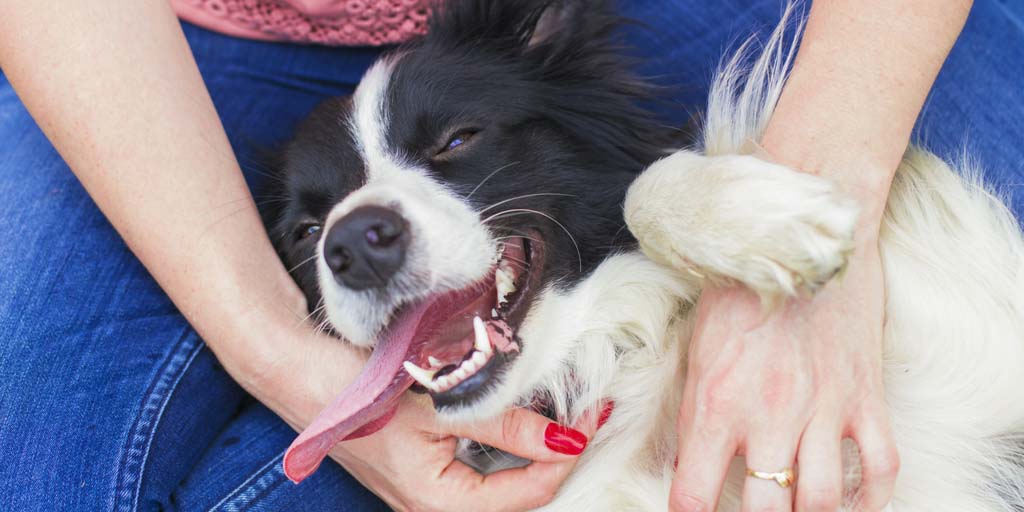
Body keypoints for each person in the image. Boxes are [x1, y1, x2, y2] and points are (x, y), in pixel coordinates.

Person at [0, 1, 1019, 511]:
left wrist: (806, 230)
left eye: (447, 154)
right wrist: (280, 355)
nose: (356, 238)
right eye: (323, 241)